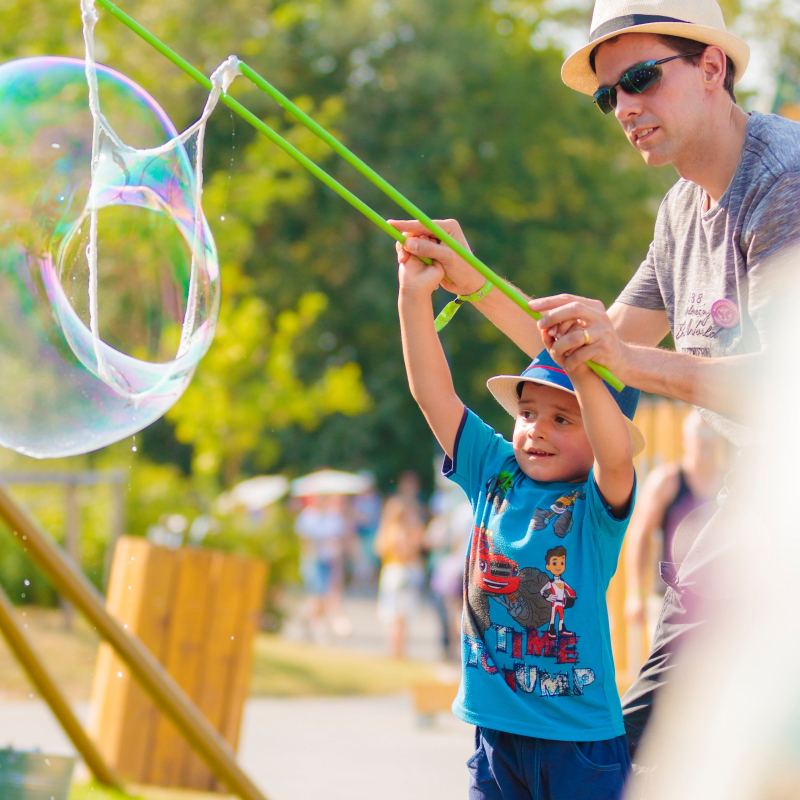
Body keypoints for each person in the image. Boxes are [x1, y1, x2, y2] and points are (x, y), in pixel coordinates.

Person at [388, 0, 800, 773]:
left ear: (713, 68)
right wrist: (472, 282)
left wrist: (627, 360)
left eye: (640, 78)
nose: (625, 107)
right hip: (761, 499)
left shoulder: (785, 180)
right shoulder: (680, 213)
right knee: (646, 760)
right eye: (610, 95)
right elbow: (587, 359)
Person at [397, 234, 643, 799]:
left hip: (580, 747)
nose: (536, 429)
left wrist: (585, 371)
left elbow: (615, 455)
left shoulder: (597, 503)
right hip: (496, 738)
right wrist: (413, 296)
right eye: (528, 412)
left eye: (563, 419)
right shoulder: (493, 469)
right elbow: (433, 395)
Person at [624, 411, 723, 632]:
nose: (706, 441)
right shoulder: (666, 482)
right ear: (684, 439)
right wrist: (635, 593)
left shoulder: (728, 486)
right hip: (671, 601)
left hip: (716, 604)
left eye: (711, 434)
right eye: (699, 433)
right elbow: (640, 536)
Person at [375, 471, 426, 659]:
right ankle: (397, 651)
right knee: (398, 614)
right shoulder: (396, 530)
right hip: (399, 570)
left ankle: (397, 651)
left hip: (398, 570)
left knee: (399, 614)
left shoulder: (392, 529)